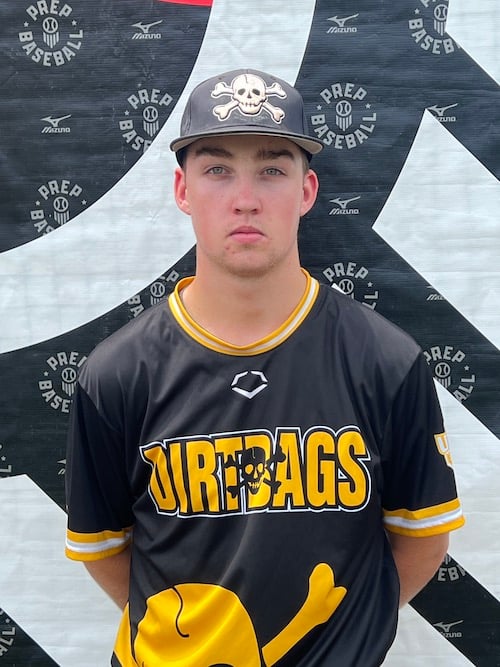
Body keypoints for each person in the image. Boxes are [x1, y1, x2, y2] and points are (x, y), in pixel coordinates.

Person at [65, 68, 465, 666]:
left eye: (273, 170)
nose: (246, 198)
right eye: (217, 170)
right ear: (182, 190)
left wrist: (340, 644)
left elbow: (422, 541)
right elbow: (106, 550)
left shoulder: (385, 361)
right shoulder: (117, 374)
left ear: (307, 191)